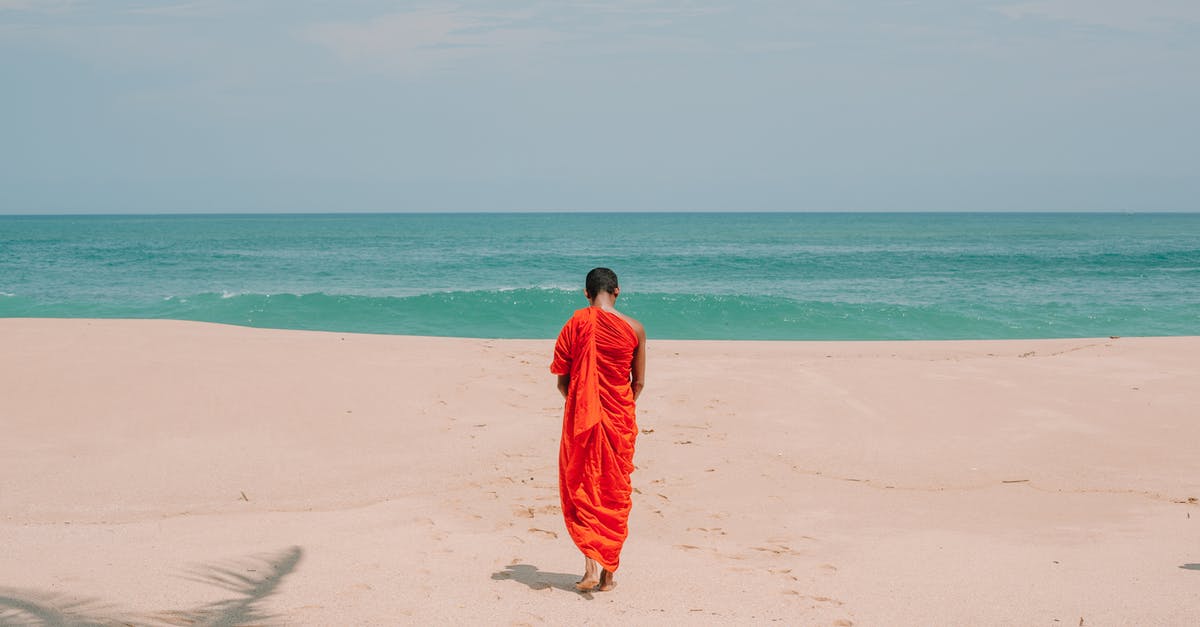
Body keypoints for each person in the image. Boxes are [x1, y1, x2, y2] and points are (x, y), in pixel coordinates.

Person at [550, 267, 646, 592]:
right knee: (614, 490)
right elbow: (640, 382)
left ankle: (590, 566)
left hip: (582, 419)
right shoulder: (635, 329)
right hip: (619, 419)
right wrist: (617, 407)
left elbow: (563, 381)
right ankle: (607, 574)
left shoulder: (575, 323)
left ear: (586, 293)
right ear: (617, 291)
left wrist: (583, 403)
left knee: (584, 485)